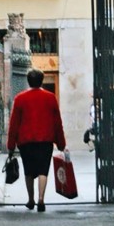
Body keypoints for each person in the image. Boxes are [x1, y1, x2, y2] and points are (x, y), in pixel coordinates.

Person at [7, 68, 66, 212]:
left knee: (29, 171)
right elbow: (57, 122)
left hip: (26, 142)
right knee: (42, 171)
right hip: (45, 141)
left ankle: (31, 199)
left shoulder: (20, 98)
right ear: (42, 81)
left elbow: (14, 123)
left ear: (28, 81)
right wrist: (61, 143)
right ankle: (41, 199)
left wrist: (10, 145)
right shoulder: (50, 97)